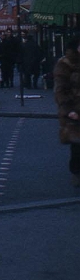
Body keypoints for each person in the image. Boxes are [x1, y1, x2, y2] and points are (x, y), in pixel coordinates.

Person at [52, 37, 80, 187]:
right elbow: (60, 90)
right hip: (75, 109)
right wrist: (69, 110)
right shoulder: (65, 64)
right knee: (77, 146)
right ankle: (77, 173)